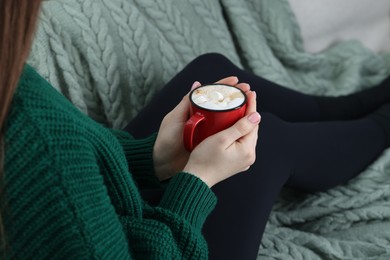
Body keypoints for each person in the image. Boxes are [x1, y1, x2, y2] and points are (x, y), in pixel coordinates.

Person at [1, 1, 390, 259]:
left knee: (212, 73)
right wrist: (198, 181)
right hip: (151, 244)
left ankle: (345, 108)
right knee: (264, 138)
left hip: (107, 209)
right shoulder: (41, 150)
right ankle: (381, 125)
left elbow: (77, 146)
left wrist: (150, 156)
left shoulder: (12, 79)